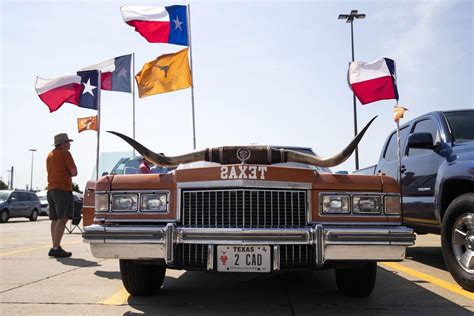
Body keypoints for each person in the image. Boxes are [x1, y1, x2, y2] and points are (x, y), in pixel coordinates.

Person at [46, 133, 78, 258]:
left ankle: (54, 245)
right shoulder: (65, 153)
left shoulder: (50, 155)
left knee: (55, 219)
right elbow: (74, 172)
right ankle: (56, 247)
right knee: (63, 218)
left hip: (51, 189)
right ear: (62, 143)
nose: (69, 144)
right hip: (62, 189)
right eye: (68, 142)